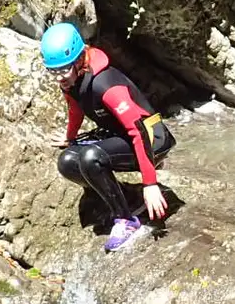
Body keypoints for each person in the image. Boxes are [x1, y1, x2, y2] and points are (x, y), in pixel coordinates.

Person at [42, 22, 175, 253]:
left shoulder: (106, 85)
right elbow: (75, 109)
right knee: (68, 160)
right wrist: (69, 138)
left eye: (63, 70)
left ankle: (125, 220)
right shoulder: (72, 80)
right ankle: (118, 196)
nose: (59, 78)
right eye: (53, 71)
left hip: (152, 138)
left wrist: (150, 182)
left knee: (91, 158)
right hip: (119, 135)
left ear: (78, 60)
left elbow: (138, 130)